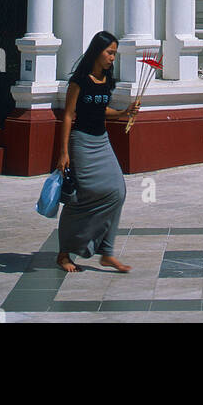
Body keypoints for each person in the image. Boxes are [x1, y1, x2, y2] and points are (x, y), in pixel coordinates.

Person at [56, 31, 139, 275]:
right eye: (110, 52)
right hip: (81, 142)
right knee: (81, 197)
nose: (113, 58)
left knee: (118, 192)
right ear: (97, 51)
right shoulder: (79, 81)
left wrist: (124, 112)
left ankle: (106, 253)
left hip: (101, 141)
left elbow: (102, 111)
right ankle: (64, 253)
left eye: (115, 53)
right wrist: (63, 152)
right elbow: (69, 116)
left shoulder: (107, 80)